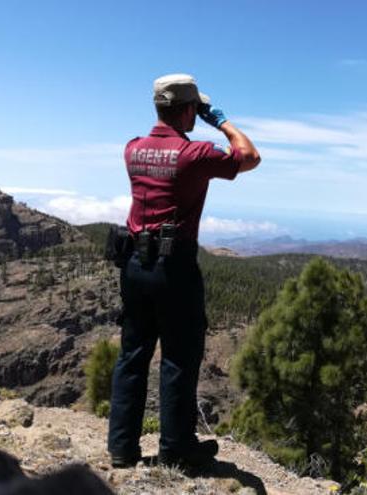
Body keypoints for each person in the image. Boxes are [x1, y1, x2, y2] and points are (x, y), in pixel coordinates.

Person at [108, 73, 260, 469]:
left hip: (133, 265)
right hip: (172, 268)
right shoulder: (194, 154)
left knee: (132, 354)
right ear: (190, 109)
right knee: (179, 355)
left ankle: (121, 448)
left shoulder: (132, 149)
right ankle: (176, 448)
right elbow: (250, 156)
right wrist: (221, 121)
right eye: (198, 108)